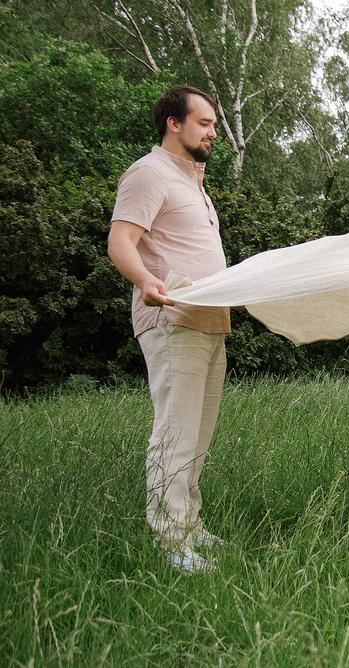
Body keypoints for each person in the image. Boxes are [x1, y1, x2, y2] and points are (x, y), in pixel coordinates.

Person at [107, 86, 229, 572]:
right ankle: (169, 539)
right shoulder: (148, 173)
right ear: (173, 124)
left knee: (197, 434)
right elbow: (120, 241)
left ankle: (190, 525)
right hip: (171, 318)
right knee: (175, 431)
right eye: (204, 123)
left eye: (214, 125)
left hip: (208, 321)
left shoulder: (195, 183)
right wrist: (146, 282)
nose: (213, 133)